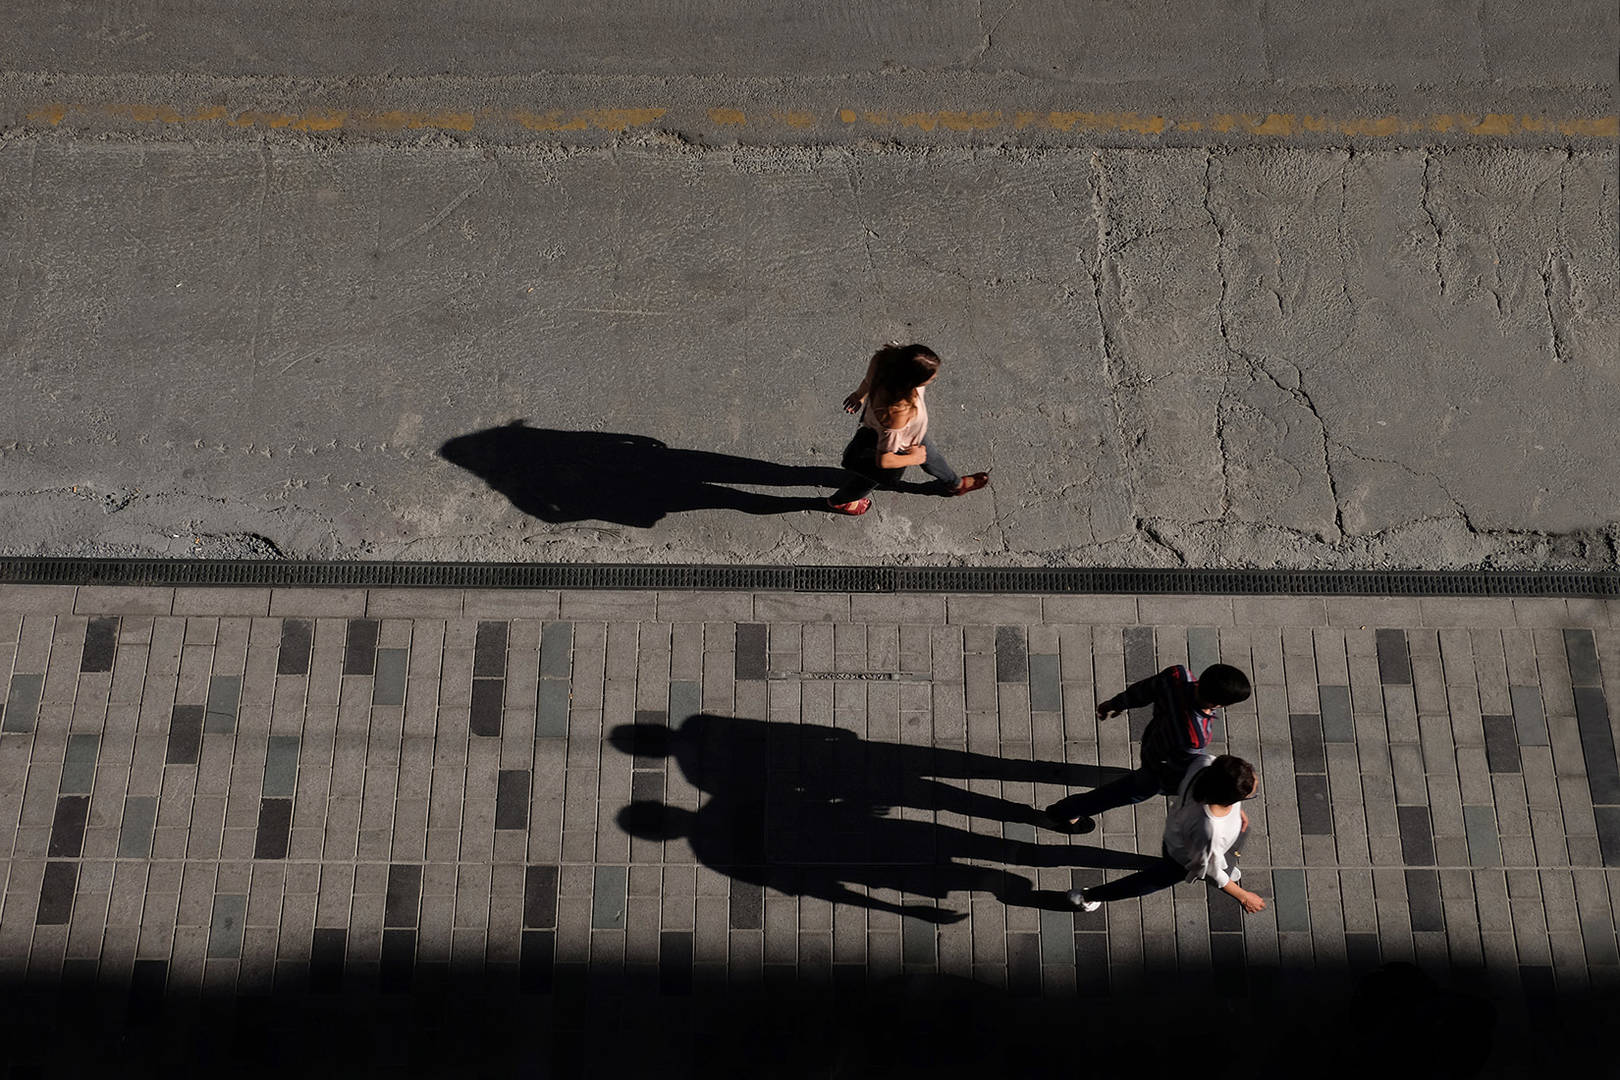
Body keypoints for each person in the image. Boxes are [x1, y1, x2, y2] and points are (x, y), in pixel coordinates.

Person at [1043, 662, 1252, 834]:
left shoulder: (1177, 676)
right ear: (1219, 704)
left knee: (1127, 787)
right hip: (1158, 770)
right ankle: (1064, 812)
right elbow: (1182, 770)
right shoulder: (1196, 735)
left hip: (1153, 740)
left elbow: (1144, 690)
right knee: (1120, 794)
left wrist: (1117, 703)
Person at [1068, 754, 1266, 914]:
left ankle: (1227, 866)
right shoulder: (1210, 831)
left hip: (1178, 834)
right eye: (1248, 796)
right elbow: (1209, 872)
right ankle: (1087, 896)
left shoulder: (1205, 763)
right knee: (1147, 882)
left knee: (1236, 841)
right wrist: (1242, 895)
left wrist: (1236, 811)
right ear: (1228, 799)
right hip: (1181, 859)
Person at [827, 343, 989, 515]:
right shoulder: (897, 414)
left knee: (930, 455)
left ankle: (954, 484)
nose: (934, 378)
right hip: (900, 441)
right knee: (870, 478)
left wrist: (858, 395)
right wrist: (914, 457)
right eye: (930, 378)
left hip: (906, 432)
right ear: (910, 382)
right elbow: (884, 460)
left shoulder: (883, 361)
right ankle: (840, 502)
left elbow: (868, 381)